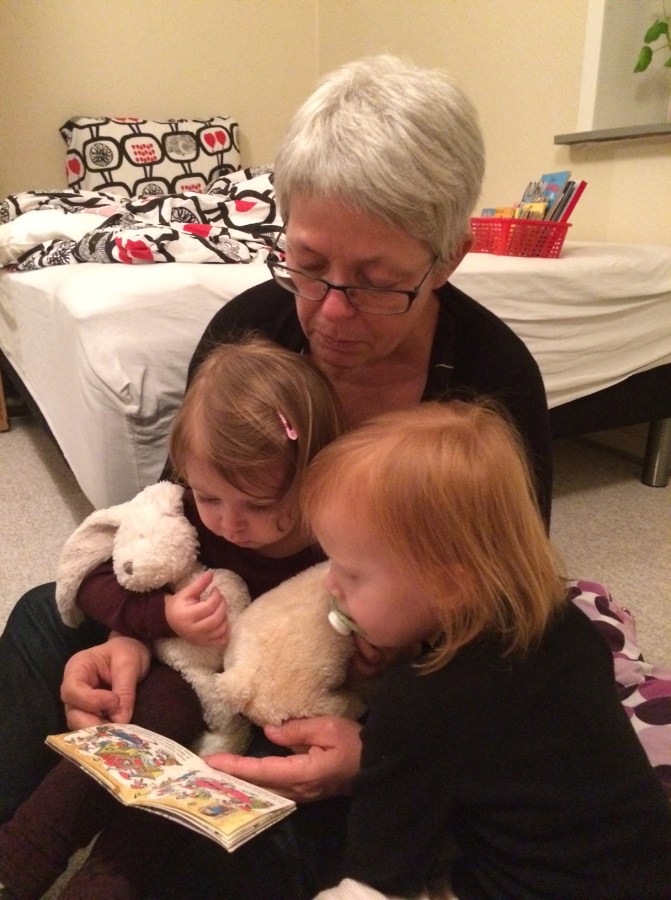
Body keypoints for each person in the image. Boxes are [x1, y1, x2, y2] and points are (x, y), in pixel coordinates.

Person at [0, 55, 554, 896]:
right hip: (207, 636)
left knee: (244, 849)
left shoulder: (490, 383)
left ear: (445, 260)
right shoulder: (251, 329)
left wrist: (377, 750)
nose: (329, 312)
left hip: (349, 685)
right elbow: (177, 518)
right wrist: (128, 638)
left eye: (377, 285)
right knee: (43, 620)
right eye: (306, 262)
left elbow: (506, 618)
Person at [0, 337, 343, 899]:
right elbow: (91, 570)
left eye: (260, 505)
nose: (230, 524)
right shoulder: (182, 510)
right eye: (211, 498)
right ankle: (21, 854)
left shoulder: (335, 540)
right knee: (140, 725)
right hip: (180, 679)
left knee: (186, 804)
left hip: (272, 710)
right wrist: (158, 615)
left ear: (317, 476)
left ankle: (106, 883)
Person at [298, 401, 671, 899]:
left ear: (449, 587)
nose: (331, 585)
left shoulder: (420, 703)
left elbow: (381, 875)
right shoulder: (570, 627)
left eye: (351, 573)